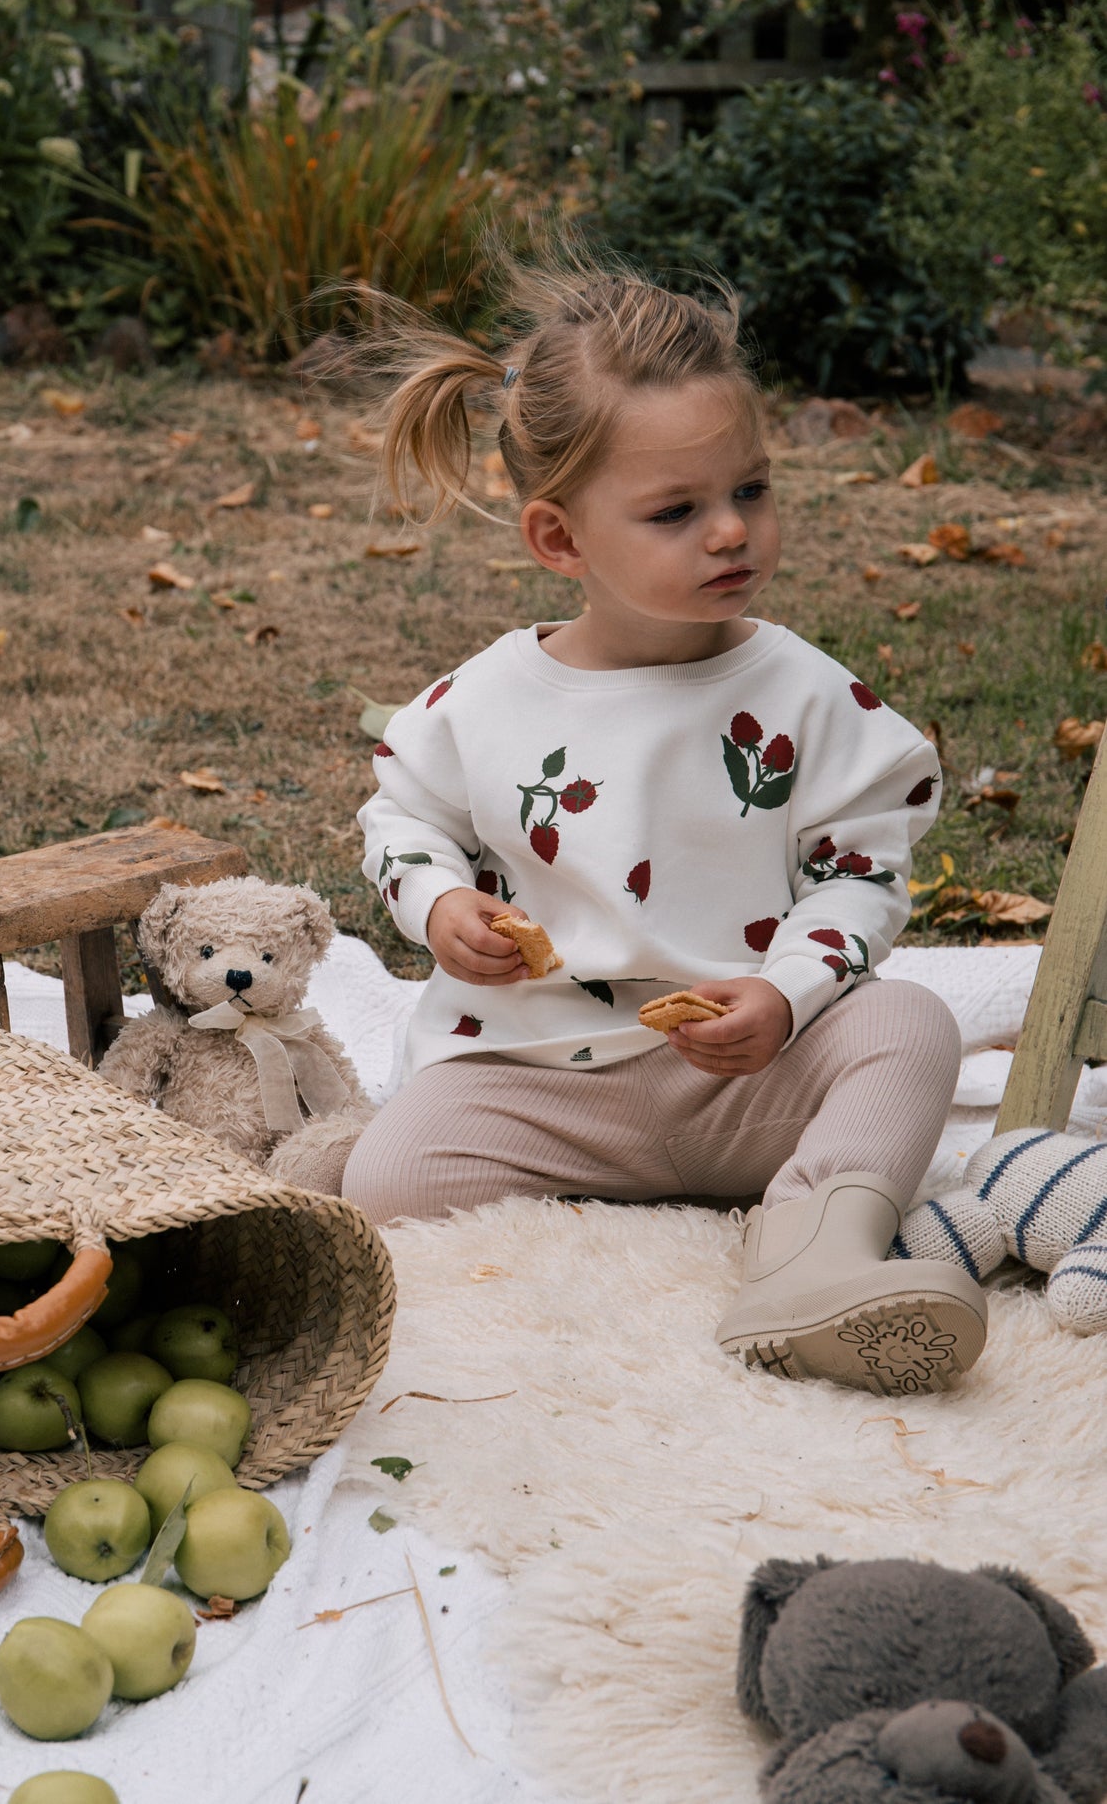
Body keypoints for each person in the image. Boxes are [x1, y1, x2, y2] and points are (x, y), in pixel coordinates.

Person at [338, 241, 989, 1397]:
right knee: (383, 1176)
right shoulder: (484, 701)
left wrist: (786, 995)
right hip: (547, 1077)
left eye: (748, 490)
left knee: (909, 1029)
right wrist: (437, 904)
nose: (730, 532)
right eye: (676, 510)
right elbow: (401, 819)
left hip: (748, 1075)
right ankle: (720, 1206)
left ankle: (809, 1252)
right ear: (559, 539)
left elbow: (858, 875)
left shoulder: (806, 697)